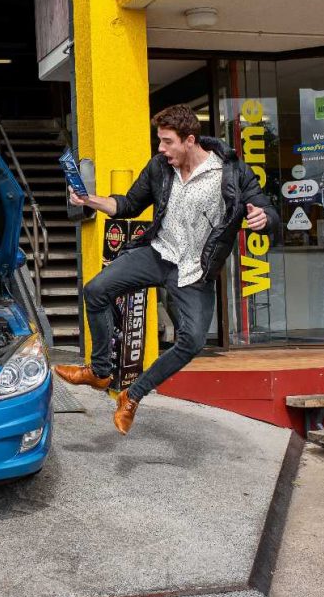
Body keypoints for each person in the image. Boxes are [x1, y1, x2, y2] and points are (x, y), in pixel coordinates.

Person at [55, 105, 280, 435]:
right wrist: (90, 200)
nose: (160, 149)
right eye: (159, 141)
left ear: (189, 140)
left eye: (167, 142)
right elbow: (128, 205)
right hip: (157, 253)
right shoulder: (160, 167)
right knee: (95, 291)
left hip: (194, 269)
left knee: (192, 340)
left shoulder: (232, 173)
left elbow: (266, 209)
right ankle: (100, 370)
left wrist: (263, 219)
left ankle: (132, 396)